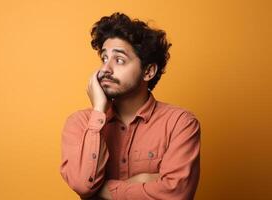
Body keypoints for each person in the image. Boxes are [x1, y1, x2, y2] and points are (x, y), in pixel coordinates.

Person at [60, 12, 201, 200]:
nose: (105, 69)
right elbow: (82, 185)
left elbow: (177, 193)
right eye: (104, 58)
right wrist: (99, 110)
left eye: (119, 60)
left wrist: (106, 190)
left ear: (148, 71)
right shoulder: (80, 123)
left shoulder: (180, 123)